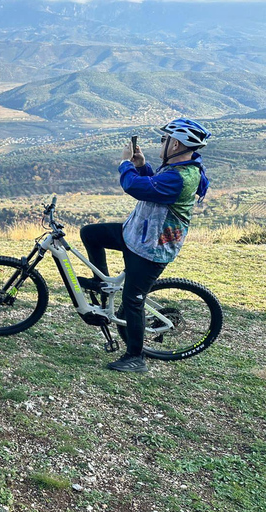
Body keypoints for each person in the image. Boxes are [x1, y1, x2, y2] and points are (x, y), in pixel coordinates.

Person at [79, 118, 211, 373]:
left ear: (175, 144)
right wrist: (142, 166)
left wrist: (126, 163)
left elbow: (136, 187)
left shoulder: (182, 177)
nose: (161, 143)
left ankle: (135, 358)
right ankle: (103, 285)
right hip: (137, 235)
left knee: (133, 301)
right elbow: (154, 185)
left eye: (164, 140)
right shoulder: (177, 166)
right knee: (91, 234)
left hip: (153, 248)